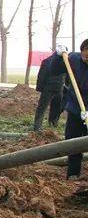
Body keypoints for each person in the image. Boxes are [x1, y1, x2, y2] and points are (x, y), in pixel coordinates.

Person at [48, 41, 88, 180]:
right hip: (76, 109)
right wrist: (58, 56)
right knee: (73, 143)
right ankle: (73, 174)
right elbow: (54, 70)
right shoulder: (74, 59)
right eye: (84, 53)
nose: (86, 57)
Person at [33, 51, 65, 132]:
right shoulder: (48, 61)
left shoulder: (65, 62)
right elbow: (42, 75)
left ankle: (52, 123)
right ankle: (37, 127)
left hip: (58, 88)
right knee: (43, 107)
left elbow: (67, 76)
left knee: (55, 107)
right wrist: (40, 88)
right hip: (49, 88)